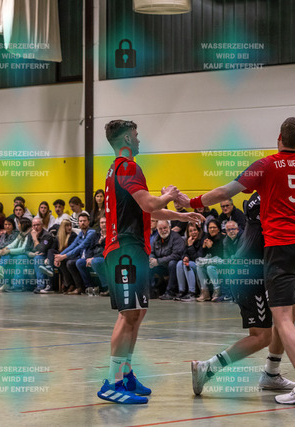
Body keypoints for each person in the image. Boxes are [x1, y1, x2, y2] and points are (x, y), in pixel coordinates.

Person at [178, 114, 295, 404]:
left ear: (279, 139)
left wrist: (189, 203)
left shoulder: (265, 168)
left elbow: (224, 192)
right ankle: (294, 367)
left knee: (282, 319)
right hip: (290, 251)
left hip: (275, 252)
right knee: (285, 318)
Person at [97, 119, 203, 405]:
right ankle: (112, 383)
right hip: (125, 249)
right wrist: (170, 195)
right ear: (126, 139)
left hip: (134, 248)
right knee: (128, 314)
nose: (139, 139)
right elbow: (149, 204)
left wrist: (180, 215)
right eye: (136, 135)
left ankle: (126, 374)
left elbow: (146, 209)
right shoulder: (128, 167)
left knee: (138, 312)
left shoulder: (117, 168)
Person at [191, 192, 295, 395]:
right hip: (250, 276)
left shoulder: (261, 196)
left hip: (254, 272)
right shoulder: (270, 200)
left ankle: (272, 373)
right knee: (261, 336)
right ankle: (208, 367)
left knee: (284, 318)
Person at [48, 212, 96, 294]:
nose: (82, 223)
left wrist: (64, 256)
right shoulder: (81, 233)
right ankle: (75, 286)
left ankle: (85, 286)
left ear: (88, 222)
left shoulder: (91, 232)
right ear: (78, 223)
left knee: (73, 262)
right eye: (80, 221)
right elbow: (72, 246)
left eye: (84, 221)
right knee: (68, 262)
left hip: (89, 257)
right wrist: (59, 257)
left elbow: (81, 246)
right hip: (81, 257)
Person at [0, 218, 34, 292]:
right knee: (6, 255)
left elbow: (23, 249)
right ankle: (6, 282)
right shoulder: (21, 234)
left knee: (18, 257)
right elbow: (13, 244)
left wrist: (9, 251)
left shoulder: (29, 234)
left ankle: (17, 286)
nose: (18, 225)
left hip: (27, 255)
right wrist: (5, 249)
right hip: (20, 254)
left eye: (19, 224)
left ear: (23, 225)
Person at [150, 220, 185, 300]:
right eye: (160, 229)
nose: (163, 230)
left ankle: (170, 292)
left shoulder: (176, 237)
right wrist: (152, 259)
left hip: (173, 265)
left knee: (172, 263)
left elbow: (176, 255)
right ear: (157, 229)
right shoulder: (156, 238)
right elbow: (152, 252)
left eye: (165, 228)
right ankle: (151, 292)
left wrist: (158, 261)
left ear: (169, 227)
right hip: (161, 265)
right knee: (148, 265)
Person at [76, 216, 109, 294]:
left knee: (96, 261)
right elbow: (90, 248)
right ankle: (90, 287)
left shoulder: (111, 235)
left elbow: (107, 250)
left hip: (105, 257)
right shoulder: (96, 234)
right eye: (102, 223)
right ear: (99, 224)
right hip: (93, 258)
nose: (104, 224)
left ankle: (106, 287)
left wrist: (93, 258)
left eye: (106, 222)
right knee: (79, 262)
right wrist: (88, 258)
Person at [195, 219, 224, 302]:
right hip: (210, 261)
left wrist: (211, 247)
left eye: (214, 227)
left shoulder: (222, 238)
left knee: (210, 267)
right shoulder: (207, 238)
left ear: (218, 229)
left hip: (220, 263)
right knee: (199, 267)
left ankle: (217, 291)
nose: (212, 229)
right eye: (210, 228)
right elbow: (203, 255)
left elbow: (220, 255)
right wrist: (204, 247)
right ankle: (205, 292)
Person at [174, 222, 204, 301]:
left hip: (200, 266)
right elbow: (183, 253)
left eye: (195, 230)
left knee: (188, 264)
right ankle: (181, 291)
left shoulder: (202, 240)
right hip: (191, 264)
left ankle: (192, 293)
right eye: (190, 231)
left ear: (198, 231)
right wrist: (185, 257)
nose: (193, 232)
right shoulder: (187, 240)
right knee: (179, 263)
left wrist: (190, 246)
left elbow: (197, 259)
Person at [28, 216, 58, 294]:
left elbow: (42, 249)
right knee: (21, 257)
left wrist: (35, 239)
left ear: (42, 225)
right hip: (34, 255)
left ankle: (40, 286)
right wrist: (31, 253)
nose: (36, 227)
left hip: (47, 257)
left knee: (38, 258)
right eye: (34, 225)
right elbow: (26, 249)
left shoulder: (47, 235)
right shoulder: (31, 234)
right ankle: (23, 285)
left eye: (38, 225)